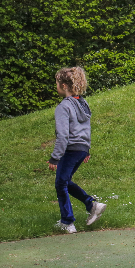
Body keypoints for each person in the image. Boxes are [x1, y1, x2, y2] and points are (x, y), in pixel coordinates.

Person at [48, 66, 106, 233]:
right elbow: (85, 130)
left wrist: (55, 157)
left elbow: (63, 136)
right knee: (64, 181)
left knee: (60, 183)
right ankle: (92, 205)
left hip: (71, 149)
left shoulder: (63, 107)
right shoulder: (82, 104)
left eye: (57, 83)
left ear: (64, 86)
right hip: (81, 149)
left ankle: (68, 221)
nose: (56, 86)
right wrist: (86, 150)